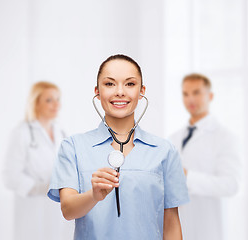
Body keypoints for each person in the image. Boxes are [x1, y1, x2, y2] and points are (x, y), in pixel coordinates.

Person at [47, 54, 189, 240]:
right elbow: (67, 210)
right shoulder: (73, 147)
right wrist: (94, 195)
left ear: (141, 91)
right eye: (110, 84)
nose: (120, 92)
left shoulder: (164, 150)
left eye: (130, 84)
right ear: (97, 92)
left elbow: (170, 224)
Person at [170, 73, 241, 240]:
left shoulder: (224, 137)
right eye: (185, 94)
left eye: (196, 92)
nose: (190, 99)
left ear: (210, 96)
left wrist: (187, 177)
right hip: (178, 228)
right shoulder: (173, 138)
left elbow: (231, 185)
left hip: (208, 230)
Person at [3, 81, 74, 240]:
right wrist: (38, 188)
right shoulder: (21, 132)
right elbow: (10, 176)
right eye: (49, 100)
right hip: (32, 207)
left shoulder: (61, 132)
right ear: (35, 103)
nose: (56, 104)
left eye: (58, 99)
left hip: (56, 207)